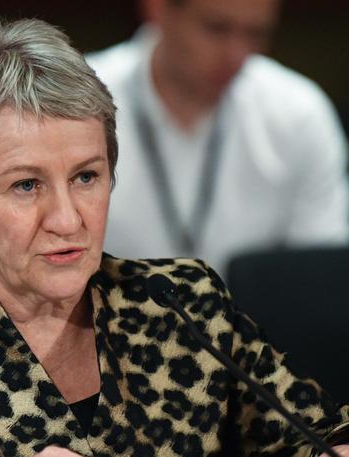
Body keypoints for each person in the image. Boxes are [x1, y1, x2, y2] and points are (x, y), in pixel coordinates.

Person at [0, 17, 349, 457]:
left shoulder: (180, 305)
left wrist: (334, 456)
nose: (67, 219)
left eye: (86, 177)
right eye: (26, 185)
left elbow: (320, 432)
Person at [86, 0, 349, 275]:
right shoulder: (76, 103)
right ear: (158, 9)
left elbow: (320, 281)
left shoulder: (299, 114)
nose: (237, 55)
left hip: (253, 318)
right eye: (216, 28)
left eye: (256, 34)